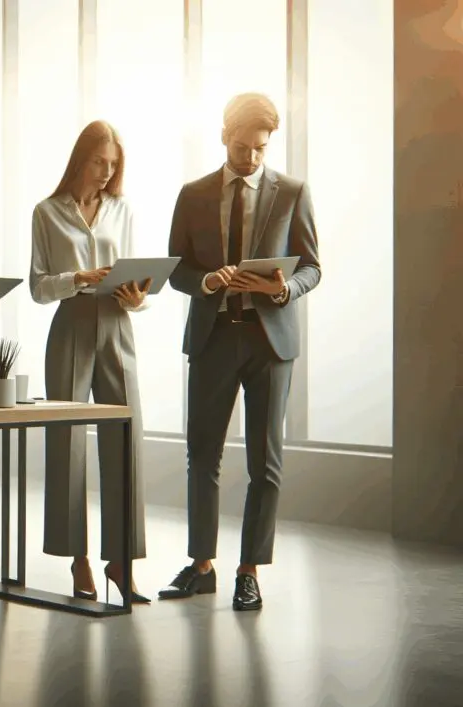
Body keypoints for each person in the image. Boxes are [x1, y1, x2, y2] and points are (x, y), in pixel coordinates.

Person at [160, 93, 321, 611]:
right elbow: (174, 268)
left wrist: (284, 291)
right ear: (223, 135)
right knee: (201, 455)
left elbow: (312, 267)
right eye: (241, 145)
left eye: (260, 148)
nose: (250, 157)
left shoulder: (293, 191)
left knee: (265, 463)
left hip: (270, 341)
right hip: (213, 336)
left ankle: (248, 571)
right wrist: (205, 280)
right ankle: (201, 565)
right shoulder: (193, 193)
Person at [29, 120, 150, 604]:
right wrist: (78, 277)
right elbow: (39, 286)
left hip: (119, 324)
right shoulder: (47, 212)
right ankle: (76, 558)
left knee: (127, 439)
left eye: (113, 164)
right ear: (81, 159)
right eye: (99, 161)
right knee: (68, 442)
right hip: (71, 325)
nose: (106, 171)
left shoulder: (122, 210)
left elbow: (137, 280)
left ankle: (121, 561)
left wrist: (137, 298)